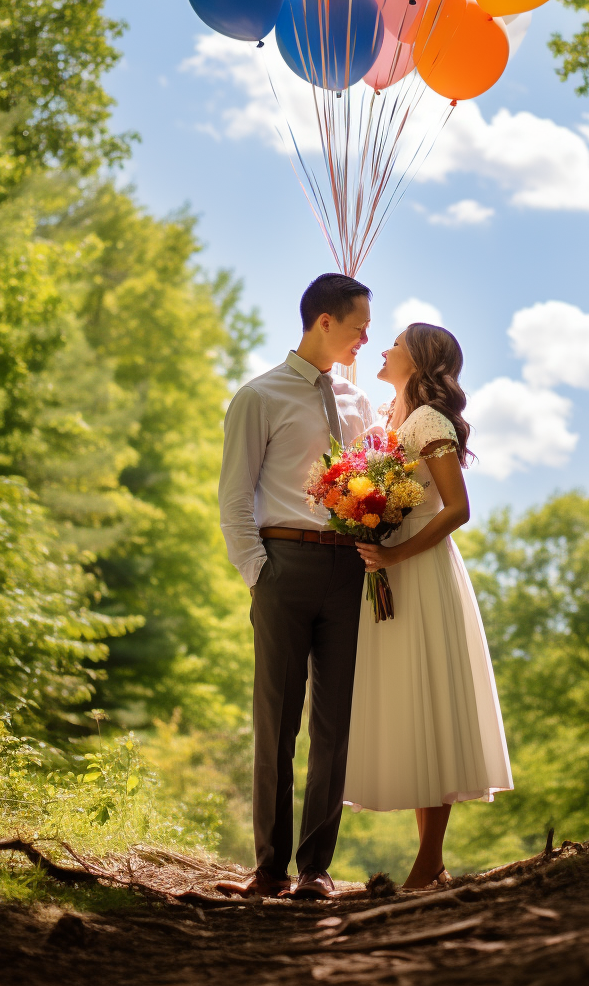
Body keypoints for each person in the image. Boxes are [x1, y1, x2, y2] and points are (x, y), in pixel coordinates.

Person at [216, 273, 374, 900]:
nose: (367, 336)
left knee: (335, 723)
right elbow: (234, 495)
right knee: (277, 722)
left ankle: (315, 871)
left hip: (347, 570)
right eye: (359, 325)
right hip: (282, 565)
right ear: (324, 322)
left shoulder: (358, 403)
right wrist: (259, 572)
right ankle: (268, 868)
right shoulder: (260, 396)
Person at [344, 322, 513, 888]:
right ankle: (430, 861)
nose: (384, 348)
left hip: (421, 567)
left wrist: (397, 556)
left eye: (394, 341)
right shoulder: (392, 421)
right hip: (392, 568)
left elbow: (457, 508)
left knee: (433, 697)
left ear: (415, 358)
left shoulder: (427, 420)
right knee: (412, 699)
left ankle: (428, 862)